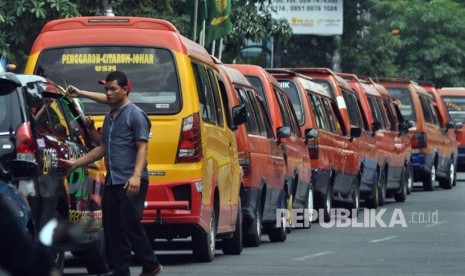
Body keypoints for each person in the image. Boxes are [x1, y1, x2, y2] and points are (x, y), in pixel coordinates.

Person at [61, 71, 162, 276]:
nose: (108, 93)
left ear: (125, 90)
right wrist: (75, 163)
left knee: (129, 223)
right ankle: (120, 270)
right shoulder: (110, 118)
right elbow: (102, 148)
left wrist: (135, 176)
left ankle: (151, 264)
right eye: (106, 89)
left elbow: (142, 147)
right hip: (113, 181)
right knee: (113, 227)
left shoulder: (135, 115)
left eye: (113, 89)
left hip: (132, 180)